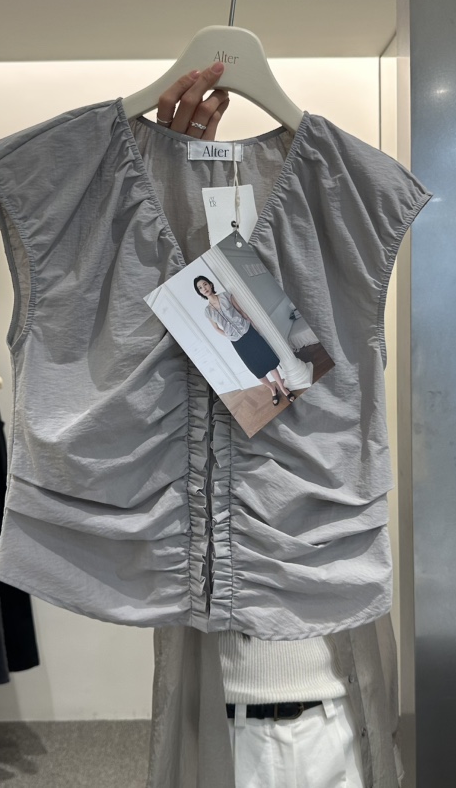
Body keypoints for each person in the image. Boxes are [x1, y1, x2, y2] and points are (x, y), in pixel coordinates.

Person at [147, 65, 386, 788]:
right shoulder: (158, 260)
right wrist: (180, 187)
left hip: (333, 707)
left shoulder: (348, 218)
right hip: (219, 713)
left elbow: (297, 395)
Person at [194, 275, 294, 406]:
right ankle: (272, 389)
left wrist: (252, 325)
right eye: (200, 288)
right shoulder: (207, 312)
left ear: (211, 284)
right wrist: (229, 335)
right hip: (237, 341)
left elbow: (241, 311)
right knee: (256, 369)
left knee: (268, 360)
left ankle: (282, 388)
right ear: (200, 292)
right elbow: (216, 328)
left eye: (205, 284)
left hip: (248, 331)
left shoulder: (226, 296)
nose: (204, 288)